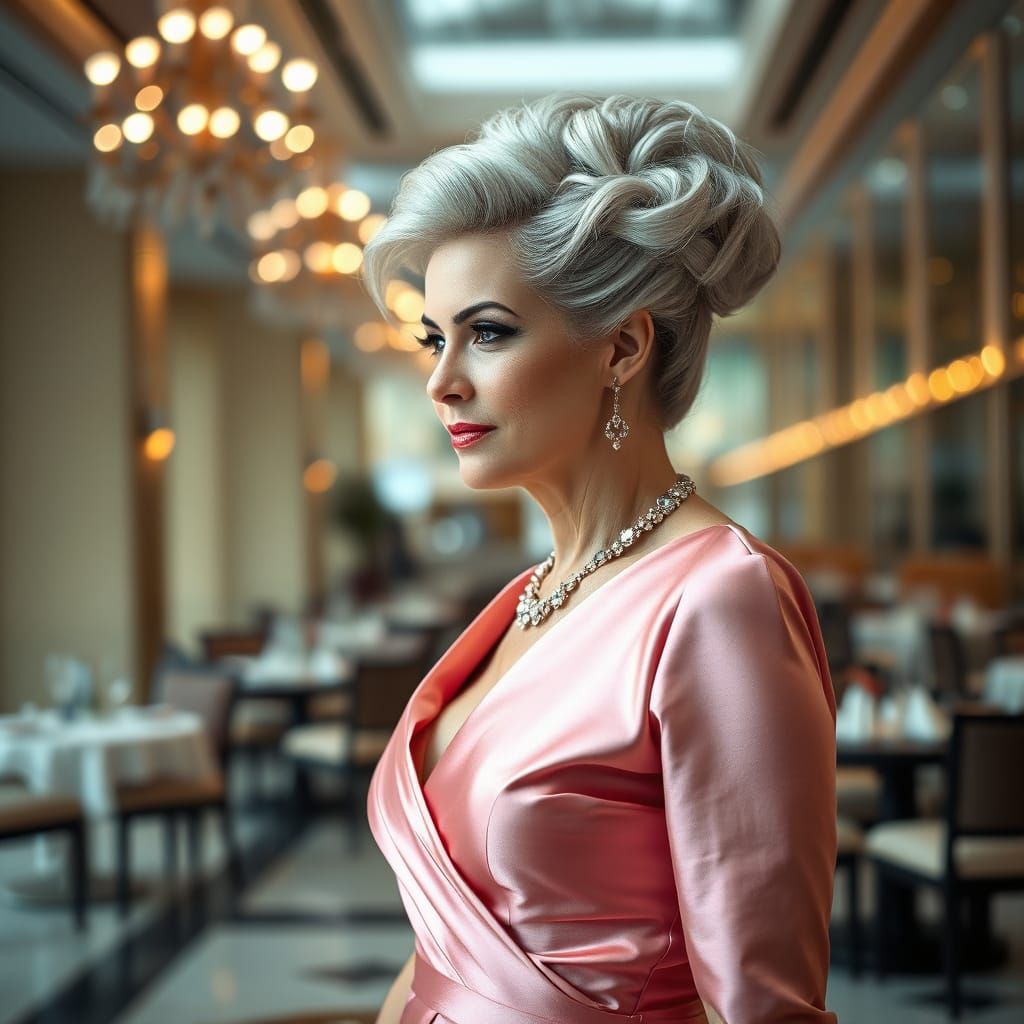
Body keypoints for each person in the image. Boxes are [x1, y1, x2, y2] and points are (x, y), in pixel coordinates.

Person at [361, 93, 838, 1024]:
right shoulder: (531, 595)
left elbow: (766, 1007)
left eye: (487, 332)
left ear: (622, 346)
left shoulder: (719, 598)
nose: (440, 378)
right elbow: (447, 947)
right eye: (435, 336)